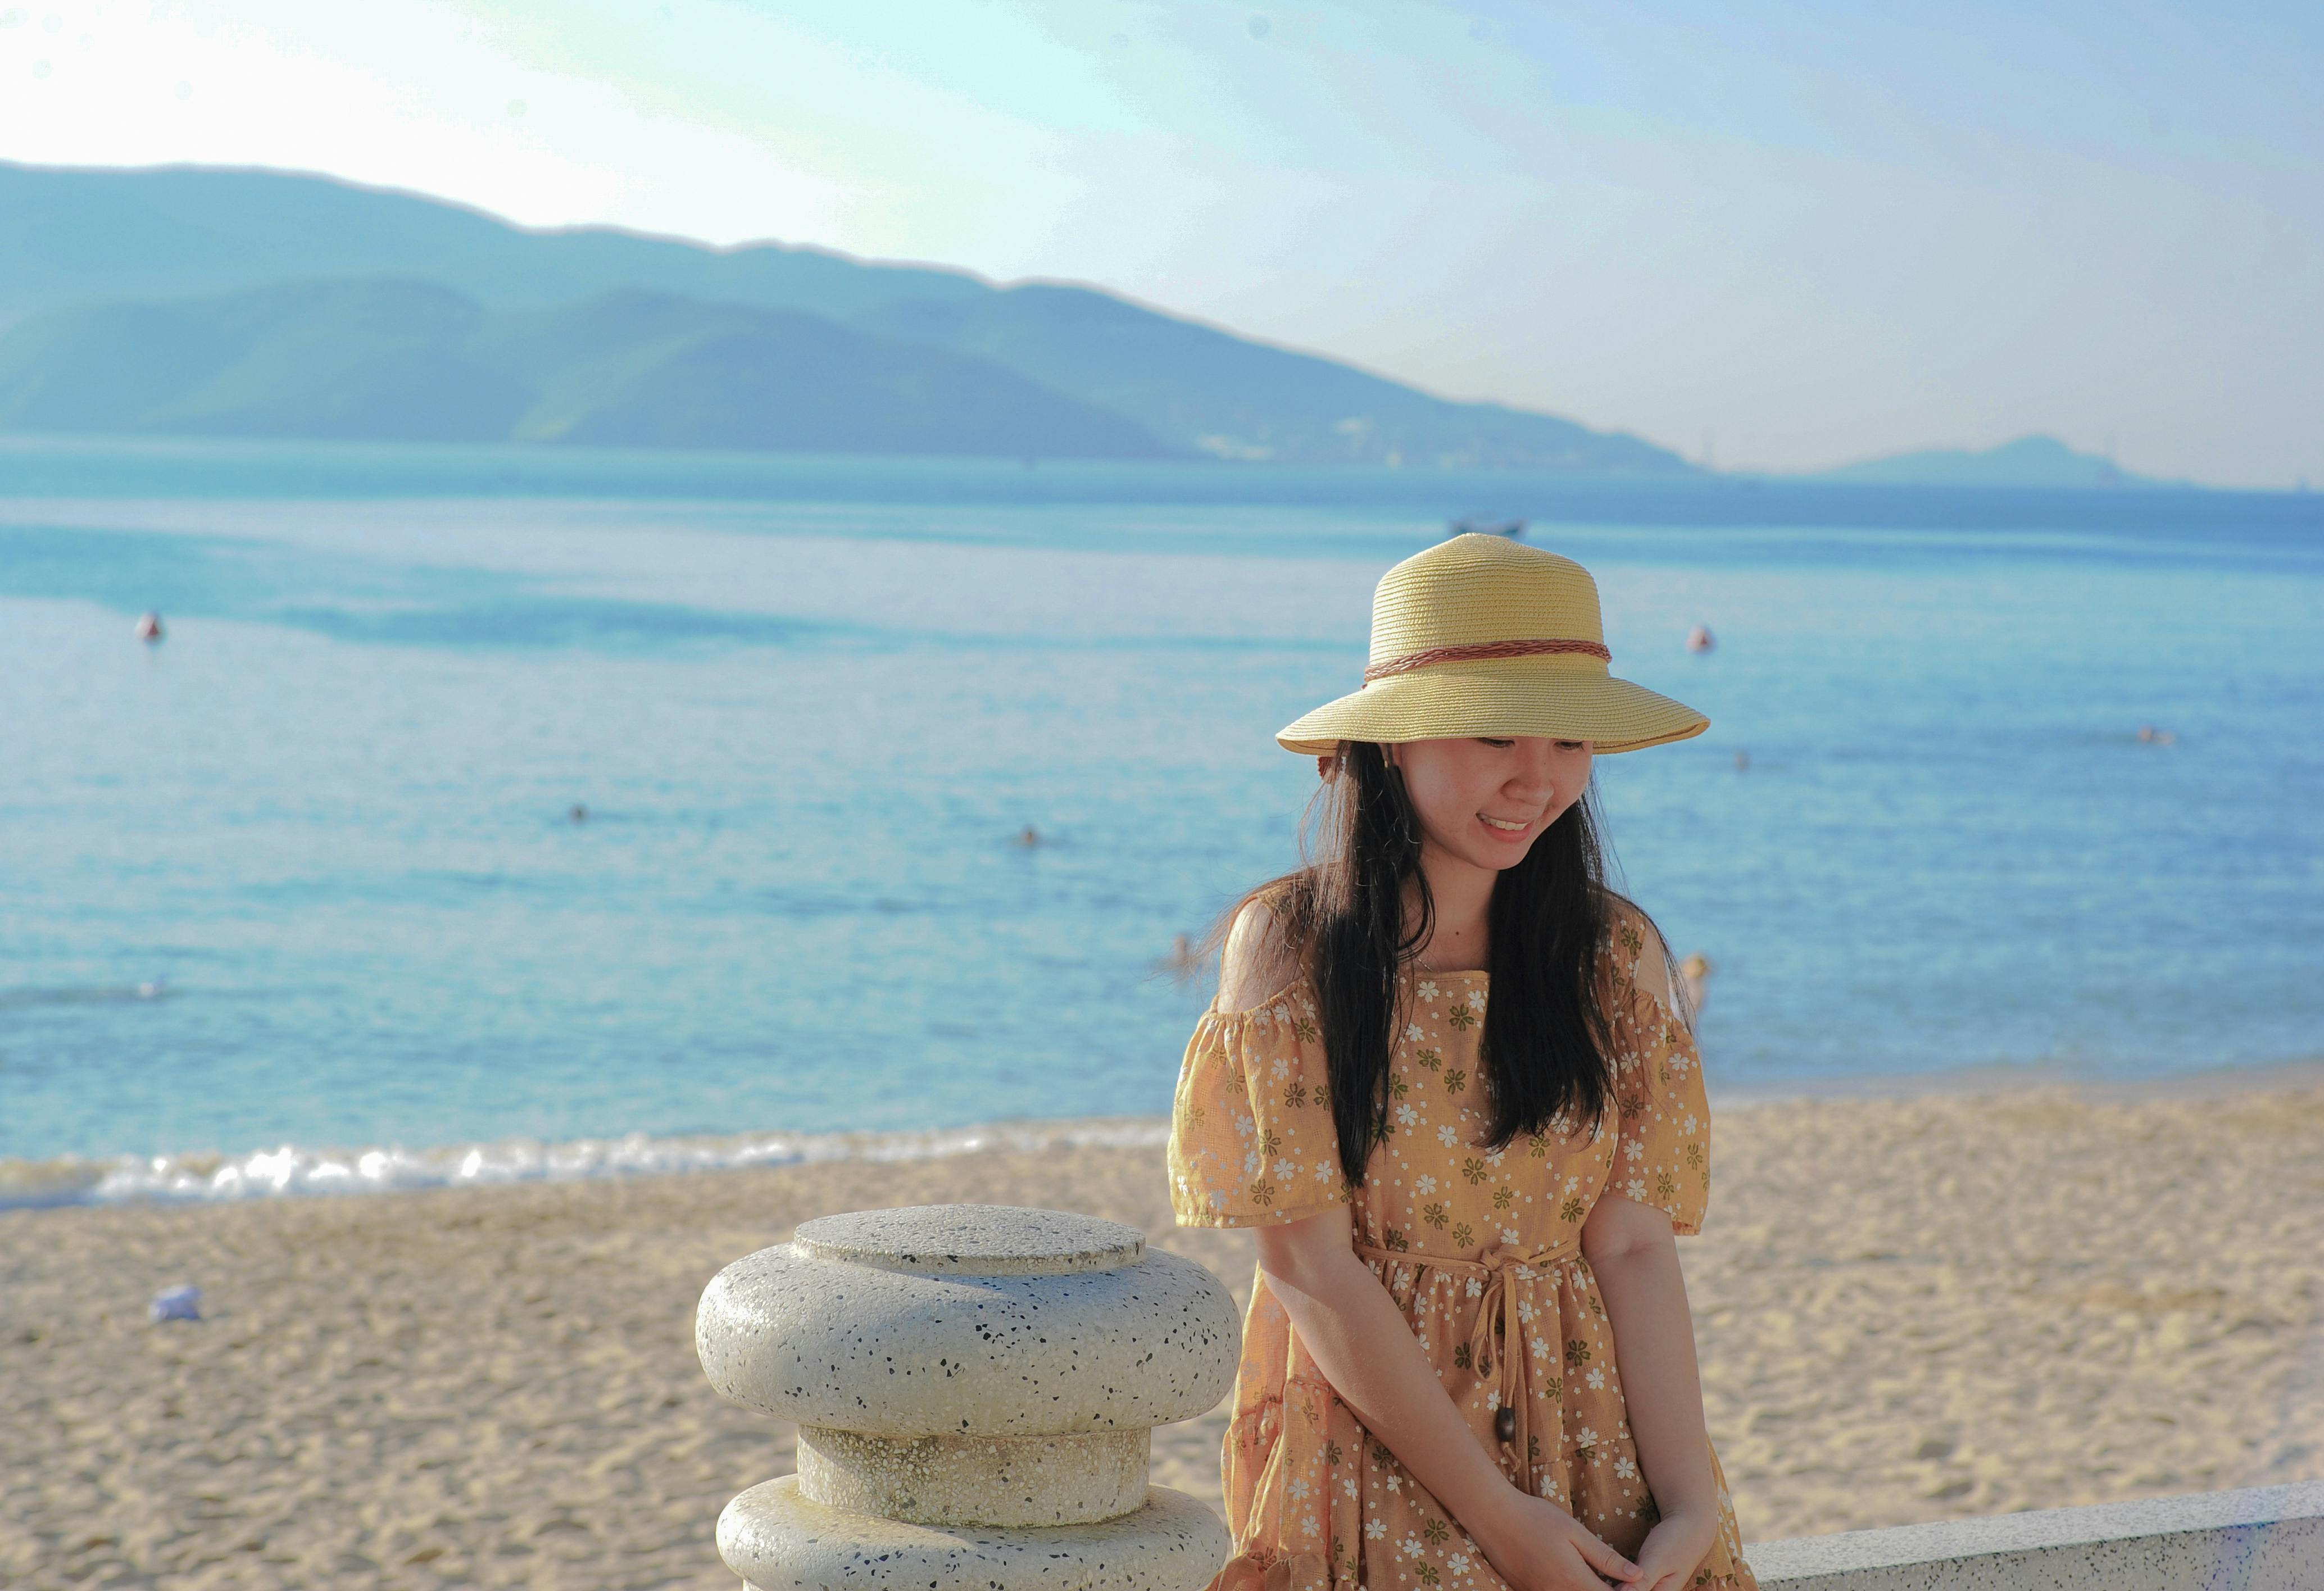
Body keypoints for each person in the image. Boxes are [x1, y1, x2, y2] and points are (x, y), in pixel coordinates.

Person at [1168, 535, 1754, 1591]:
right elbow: (1307, 1264)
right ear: (1394, 744)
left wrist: (1693, 1504)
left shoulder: (1614, 956)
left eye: (1571, 739)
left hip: (1594, 1437)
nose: (1539, 779)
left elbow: (1629, 1250)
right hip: (1380, 1449)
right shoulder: (1292, 950)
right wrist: (1499, 1518)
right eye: (1494, 735)